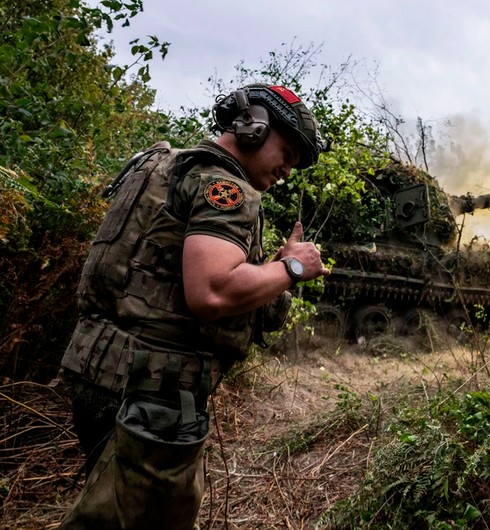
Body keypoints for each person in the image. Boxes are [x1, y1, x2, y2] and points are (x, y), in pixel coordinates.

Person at [57, 83, 331, 529]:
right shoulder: (224, 186)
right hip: (153, 389)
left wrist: (271, 269)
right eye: (287, 151)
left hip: (101, 369)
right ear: (254, 127)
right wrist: (293, 270)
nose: (288, 169)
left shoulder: (162, 164)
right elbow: (212, 292)